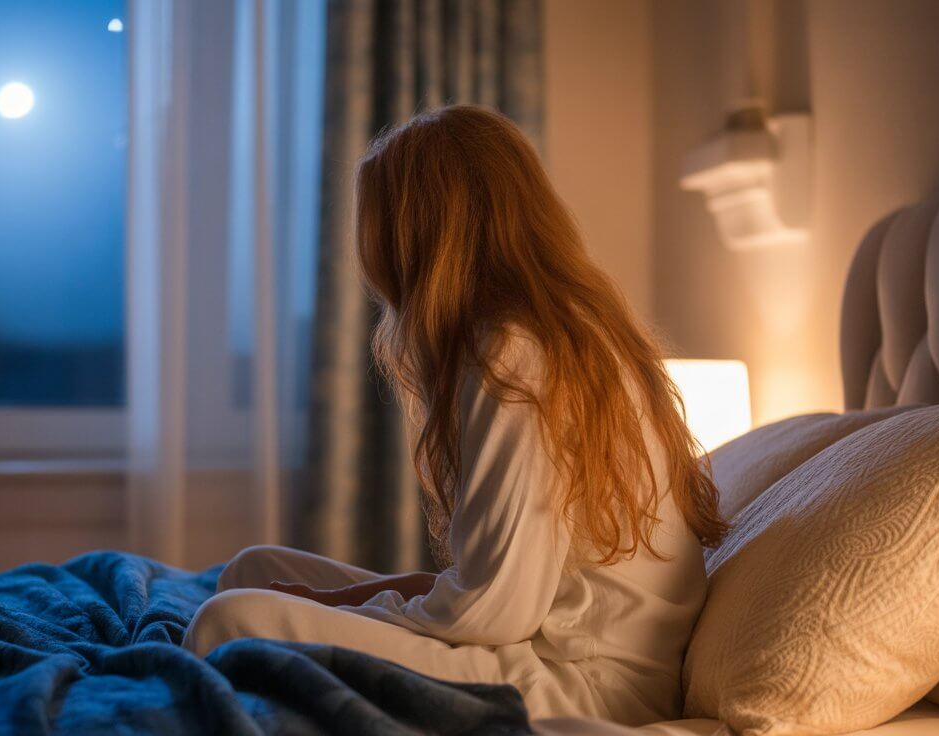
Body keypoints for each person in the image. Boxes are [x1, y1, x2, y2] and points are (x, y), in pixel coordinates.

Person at [181, 105, 728, 724]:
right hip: (538, 643)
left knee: (225, 620)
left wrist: (347, 611)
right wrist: (339, 603)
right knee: (252, 570)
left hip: (578, 682)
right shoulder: (561, 332)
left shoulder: (516, 352)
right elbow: (501, 590)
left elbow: (493, 611)